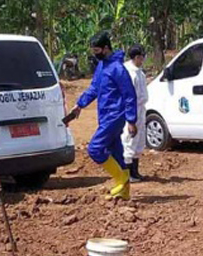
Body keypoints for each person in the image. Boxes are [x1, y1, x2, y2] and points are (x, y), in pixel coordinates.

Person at [64, 32, 138, 200]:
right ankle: (124, 192)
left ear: (106, 48)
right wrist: (80, 105)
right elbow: (94, 88)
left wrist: (131, 120)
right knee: (116, 151)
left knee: (95, 149)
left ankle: (121, 178)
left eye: (97, 50)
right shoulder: (102, 66)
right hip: (105, 115)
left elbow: (129, 95)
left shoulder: (118, 69)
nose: (94, 53)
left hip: (115, 115)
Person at [121, 44, 149, 181]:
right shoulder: (130, 73)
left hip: (140, 109)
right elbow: (128, 97)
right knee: (129, 140)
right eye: (142, 57)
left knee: (139, 140)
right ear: (137, 57)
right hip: (132, 110)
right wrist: (130, 118)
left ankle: (135, 171)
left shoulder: (139, 71)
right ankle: (128, 174)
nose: (143, 60)